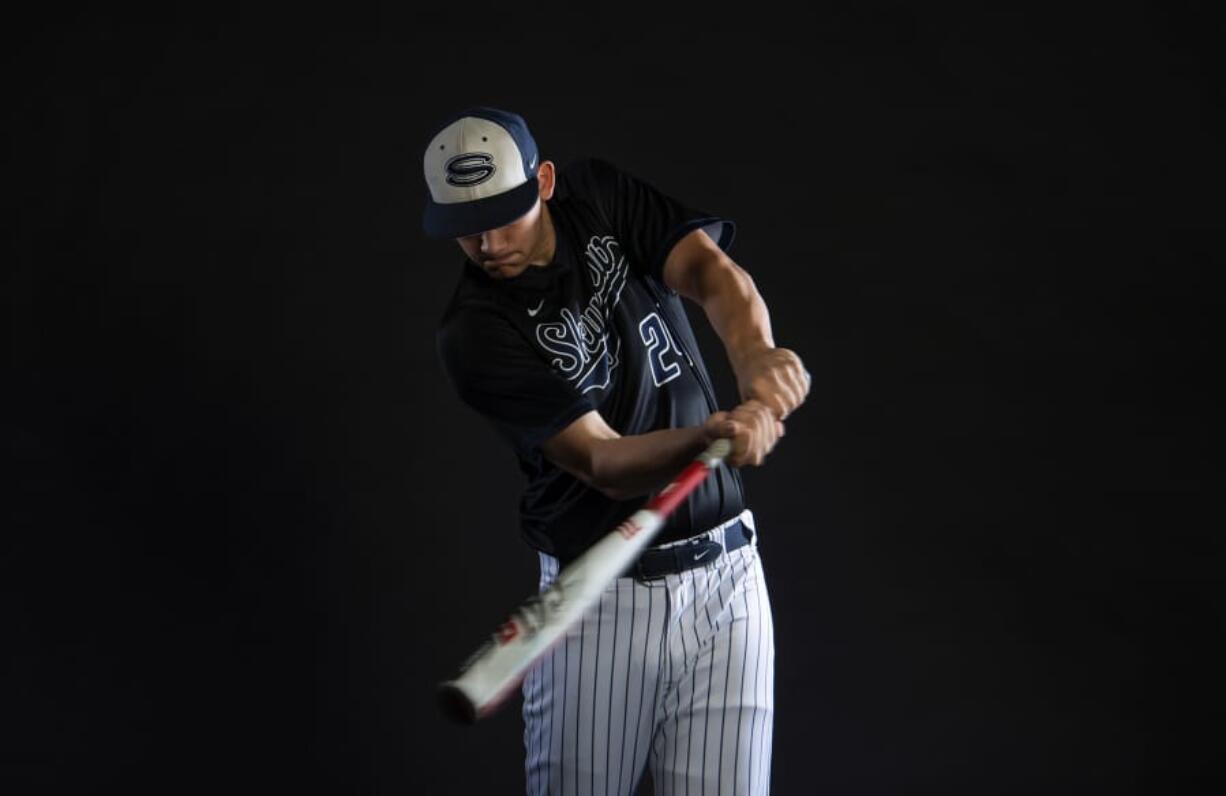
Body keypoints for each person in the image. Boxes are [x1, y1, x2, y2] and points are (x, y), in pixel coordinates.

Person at [424, 106, 810, 795]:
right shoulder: (474, 331)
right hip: (600, 606)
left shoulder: (596, 198)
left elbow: (710, 272)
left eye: (504, 215)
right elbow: (602, 461)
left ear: (542, 182)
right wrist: (714, 433)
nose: (487, 244)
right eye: (465, 229)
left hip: (729, 582)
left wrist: (757, 359)